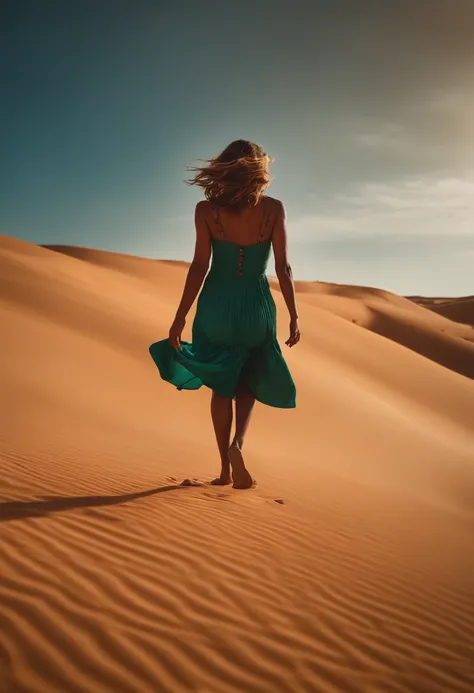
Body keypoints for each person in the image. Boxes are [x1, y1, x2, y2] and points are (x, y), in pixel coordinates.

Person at [149, 140, 300, 489]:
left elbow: (200, 265)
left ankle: (224, 470)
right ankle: (238, 445)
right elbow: (284, 267)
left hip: (216, 303)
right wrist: (293, 314)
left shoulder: (206, 211)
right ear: (258, 170)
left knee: (221, 384)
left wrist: (180, 317)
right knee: (248, 377)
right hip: (255, 304)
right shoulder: (275, 209)